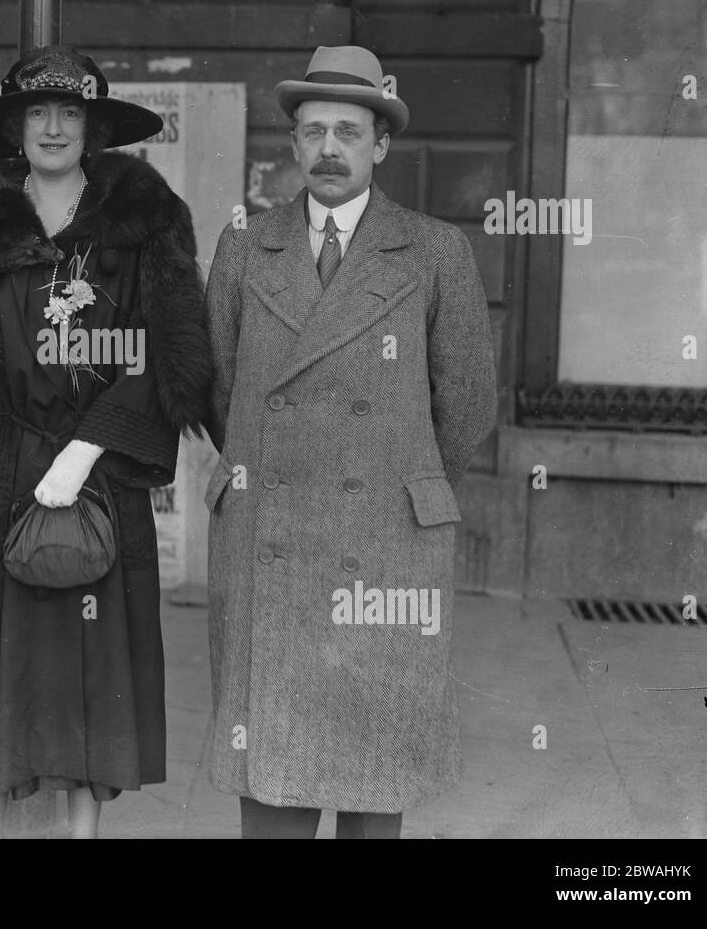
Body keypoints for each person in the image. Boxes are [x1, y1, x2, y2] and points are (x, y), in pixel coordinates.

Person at [0, 44, 213, 838]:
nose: (56, 127)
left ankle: (79, 835)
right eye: (40, 113)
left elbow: (160, 347)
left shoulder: (140, 224)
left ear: (94, 128)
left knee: (90, 665)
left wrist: (86, 449)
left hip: (96, 477)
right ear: (15, 126)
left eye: (72, 113)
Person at [204, 45, 498, 839]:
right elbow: (220, 390)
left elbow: (466, 407)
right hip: (271, 533)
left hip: (386, 549)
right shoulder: (243, 248)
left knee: (376, 778)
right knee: (272, 780)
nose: (328, 149)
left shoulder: (436, 252)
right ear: (293, 145)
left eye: (347, 130)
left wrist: (389, 475)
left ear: (381, 143)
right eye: (311, 132)